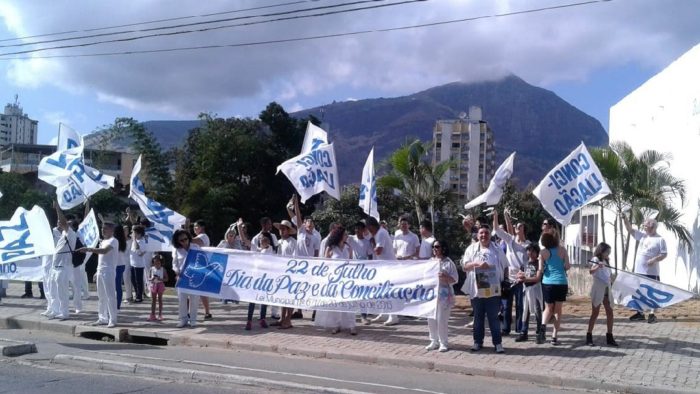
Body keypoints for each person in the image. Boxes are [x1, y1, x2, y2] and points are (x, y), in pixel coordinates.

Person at [463, 225, 507, 353]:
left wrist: (505, 282)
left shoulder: (497, 249)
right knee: (478, 317)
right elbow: (465, 266)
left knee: (494, 317)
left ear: (490, 235)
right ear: (477, 235)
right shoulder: (471, 249)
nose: (484, 235)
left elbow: (505, 267)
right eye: (481, 233)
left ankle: (498, 344)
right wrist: (477, 264)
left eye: (486, 233)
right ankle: (477, 342)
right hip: (476, 290)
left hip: (493, 290)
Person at [622, 215, 667, 324]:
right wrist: (625, 219)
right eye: (644, 227)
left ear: (653, 227)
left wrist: (654, 259)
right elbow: (630, 230)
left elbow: (664, 254)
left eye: (646, 227)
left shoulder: (660, 239)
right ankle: (640, 313)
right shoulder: (642, 236)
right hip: (639, 271)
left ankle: (652, 314)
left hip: (652, 272)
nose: (644, 228)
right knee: (637, 292)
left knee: (651, 292)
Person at [493, 210, 530, 336]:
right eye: (516, 226)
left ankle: (520, 329)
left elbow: (530, 262)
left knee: (520, 305)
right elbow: (498, 230)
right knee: (506, 306)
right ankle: (505, 328)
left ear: (524, 229)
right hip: (508, 279)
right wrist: (499, 216)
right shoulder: (510, 241)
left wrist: (526, 276)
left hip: (521, 280)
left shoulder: (528, 245)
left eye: (520, 226)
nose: (517, 227)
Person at [315, 226, 358, 335]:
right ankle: (336, 325)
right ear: (339, 236)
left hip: (346, 280)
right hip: (334, 280)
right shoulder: (330, 248)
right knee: (335, 303)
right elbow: (326, 264)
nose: (347, 236)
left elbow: (351, 263)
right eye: (345, 234)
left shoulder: (349, 248)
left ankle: (352, 326)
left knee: (349, 303)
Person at [78, 221, 120, 328]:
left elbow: (104, 251)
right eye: (102, 228)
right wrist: (97, 271)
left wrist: (88, 249)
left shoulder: (114, 241)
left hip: (109, 271)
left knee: (110, 296)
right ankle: (102, 318)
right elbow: (102, 259)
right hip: (101, 270)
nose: (103, 230)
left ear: (112, 230)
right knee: (101, 296)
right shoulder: (104, 241)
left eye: (105, 228)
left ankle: (113, 320)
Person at [46, 201, 77, 320]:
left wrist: (58, 208)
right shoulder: (63, 233)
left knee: (62, 292)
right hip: (56, 267)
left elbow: (63, 222)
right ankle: (56, 310)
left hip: (63, 268)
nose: (60, 222)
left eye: (65, 223)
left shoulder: (71, 234)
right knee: (55, 291)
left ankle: (65, 313)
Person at [425, 239, 458, 352]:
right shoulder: (430, 262)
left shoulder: (448, 262)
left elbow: (455, 279)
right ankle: (433, 340)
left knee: (441, 319)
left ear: (443, 248)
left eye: (437, 247)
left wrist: (445, 276)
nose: (435, 249)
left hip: (444, 295)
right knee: (430, 319)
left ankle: (443, 342)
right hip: (431, 295)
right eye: (433, 247)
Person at [539, 231, 571, 345]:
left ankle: (542, 328)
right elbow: (567, 266)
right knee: (558, 311)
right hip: (561, 282)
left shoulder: (543, 252)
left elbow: (541, 269)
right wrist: (560, 267)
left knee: (548, 308)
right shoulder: (562, 250)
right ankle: (554, 337)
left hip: (547, 282)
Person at [366, 217, 398, 326]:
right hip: (383, 266)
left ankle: (393, 316)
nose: (369, 232)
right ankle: (383, 313)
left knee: (389, 291)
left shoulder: (381, 233)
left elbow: (379, 251)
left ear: (372, 226)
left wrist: (373, 243)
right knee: (383, 291)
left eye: (369, 229)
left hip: (389, 266)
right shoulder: (379, 233)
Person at [586, 242, 618, 346]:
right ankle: (589, 336)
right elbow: (591, 272)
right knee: (595, 313)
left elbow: (608, 275)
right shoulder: (596, 259)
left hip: (607, 289)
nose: (608, 253)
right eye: (607, 252)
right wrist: (597, 267)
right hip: (598, 288)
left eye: (609, 252)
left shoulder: (606, 261)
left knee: (610, 312)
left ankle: (609, 336)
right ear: (602, 251)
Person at [172, 229, 200, 328]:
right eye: (181, 240)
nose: (184, 241)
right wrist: (177, 271)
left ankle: (193, 320)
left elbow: (202, 261)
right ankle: (183, 319)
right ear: (177, 241)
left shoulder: (196, 247)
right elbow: (174, 264)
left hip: (194, 277)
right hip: (182, 277)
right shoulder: (176, 250)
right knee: (182, 299)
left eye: (186, 239)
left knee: (194, 299)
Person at [516, 244, 544, 343]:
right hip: (526, 290)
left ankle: (539, 332)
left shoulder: (539, 264)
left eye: (533, 251)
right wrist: (519, 276)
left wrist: (525, 279)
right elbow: (519, 273)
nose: (531, 253)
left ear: (537, 253)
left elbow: (537, 278)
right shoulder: (524, 264)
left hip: (535, 289)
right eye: (529, 251)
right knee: (525, 311)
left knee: (537, 310)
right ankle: (524, 332)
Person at [245, 233, 273, 330]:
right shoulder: (257, 250)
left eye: (264, 239)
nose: (262, 241)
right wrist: (240, 227)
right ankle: (249, 321)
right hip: (255, 278)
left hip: (265, 278)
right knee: (252, 300)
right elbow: (245, 240)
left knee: (263, 300)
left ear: (268, 241)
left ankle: (262, 319)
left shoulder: (270, 249)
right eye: (261, 239)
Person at [274, 220, 297, 329]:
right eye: (280, 229)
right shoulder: (278, 242)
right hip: (280, 272)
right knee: (282, 297)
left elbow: (295, 258)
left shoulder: (293, 242)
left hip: (290, 273)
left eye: (284, 229)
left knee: (290, 297)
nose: (281, 231)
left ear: (288, 230)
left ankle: (288, 320)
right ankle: (282, 318)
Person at [190, 220, 213, 320]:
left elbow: (193, 241)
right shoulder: (198, 236)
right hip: (197, 264)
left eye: (197, 227)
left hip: (202, 265)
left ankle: (207, 312)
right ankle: (204, 312)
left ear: (202, 227)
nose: (195, 229)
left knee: (200, 290)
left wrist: (185, 231)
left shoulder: (203, 236)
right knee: (197, 290)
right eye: (194, 227)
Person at [130, 225, 148, 303]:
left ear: (139, 234)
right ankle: (137, 294)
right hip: (132, 263)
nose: (133, 234)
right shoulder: (134, 241)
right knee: (133, 280)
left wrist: (134, 239)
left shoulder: (143, 242)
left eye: (134, 233)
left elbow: (140, 253)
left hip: (139, 265)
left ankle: (139, 297)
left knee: (138, 281)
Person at [148, 254, 168, 321]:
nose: (156, 264)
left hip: (160, 285)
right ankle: (152, 314)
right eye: (155, 263)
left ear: (161, 263)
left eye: (158, 263)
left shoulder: (163, 269)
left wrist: (160, 279)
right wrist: (152, 279)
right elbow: (149, 278)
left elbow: (166, 279)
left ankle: (160, 314)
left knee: (160, 300)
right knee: (153, 300)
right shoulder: (151, 269)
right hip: (153, 285)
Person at [113, 225, 128, 309]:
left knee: (116, 285)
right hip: (121, 264)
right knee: (118, 285)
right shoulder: (123, 240)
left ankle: (117, 304)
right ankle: (117, 304)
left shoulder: (115, 241)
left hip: (116, 265)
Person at [122, 225, 134, 304]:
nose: (125, 231)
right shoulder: (119, 240)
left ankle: (129, 296)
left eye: (126, 230)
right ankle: (128, 295)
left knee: (127, 278)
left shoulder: (131, 240)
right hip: (120, 261)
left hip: (129, 261)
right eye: (124, 230)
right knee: (123, 279)